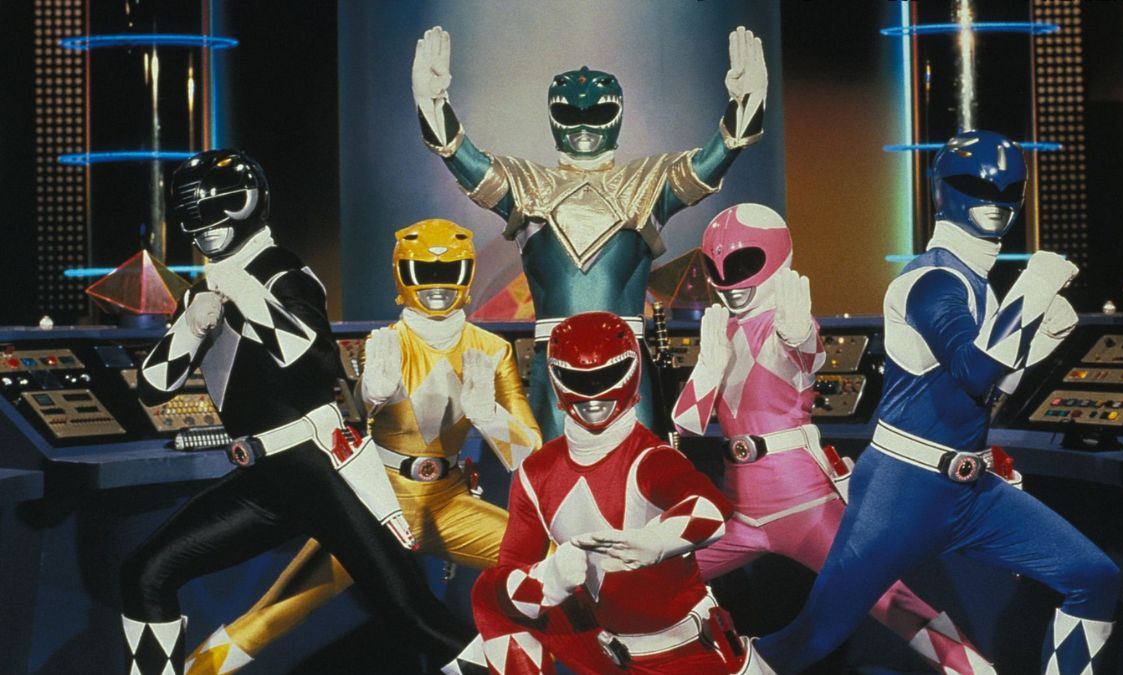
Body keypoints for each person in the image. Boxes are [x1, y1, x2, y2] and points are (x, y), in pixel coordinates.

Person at [756, 131, 1120, 675]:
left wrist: (1039, 339)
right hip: (902, 492)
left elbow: (987, 392)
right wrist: (1036, 284)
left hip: (970, 491)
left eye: (1008, 189)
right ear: (943, 190)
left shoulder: (979, 285)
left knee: (1093, 577)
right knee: (811, 638)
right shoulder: (931, 281)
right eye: (977, 185)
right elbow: (974, 370)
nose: (995, 200)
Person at [124, 151, 468, 675]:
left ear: (249, 203)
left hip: (322, 469)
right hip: (267, 479)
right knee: (146, 576)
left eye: (219, 207)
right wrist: (191, 327)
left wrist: (245, 294)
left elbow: (318, 360)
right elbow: (152, 388)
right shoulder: (206, 288)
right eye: (193, 212)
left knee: (415, 617)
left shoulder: (282, 272)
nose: (206, 223)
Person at [183, 218, 541, 674]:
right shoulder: (386, 343)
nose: (437, 287)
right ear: (403, 276)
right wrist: (374, 393)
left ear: (466, 274)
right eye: (424, 273)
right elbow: (365, 401)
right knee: (271, 616)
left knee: (555, 566)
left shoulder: (492, 350)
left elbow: (531, 457)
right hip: (373, 502)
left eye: (448, 272)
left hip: (447, 504)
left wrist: (490, 417)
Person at [673, 203, 994, 674]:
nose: (729, 281)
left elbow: (806, 356)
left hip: (804, 504)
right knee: (652, 580)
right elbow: (687, 423)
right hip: (740, 509)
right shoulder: (720, 329)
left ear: (775, 257)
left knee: (889, 599)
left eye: (741, 264)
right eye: (715, 267)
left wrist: (800, 336)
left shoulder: (786, 322)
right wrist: (708, 365)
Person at [412, 25, 767, 439]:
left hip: (628, 364)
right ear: (553, 117)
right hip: (554, 366)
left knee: (641, 473)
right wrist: (432, 104)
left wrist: (746, 105)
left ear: (617, 114)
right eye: (570, 114)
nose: (583, 126)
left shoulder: (647, 181)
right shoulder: (527, 184)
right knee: (551, 473)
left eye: (596, 114)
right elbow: (461, 157)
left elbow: (710, 162)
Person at [469, 312, 774, 674]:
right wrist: (548, 579)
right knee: (490, 595)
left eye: (606, 377)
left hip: (687, 653)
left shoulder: (650, 458)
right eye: (578, 379)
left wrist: (655, 541)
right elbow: (505, 578)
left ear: (631, 372)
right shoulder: (536, 474)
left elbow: (710, 508)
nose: (593, 396)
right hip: (606, 650)